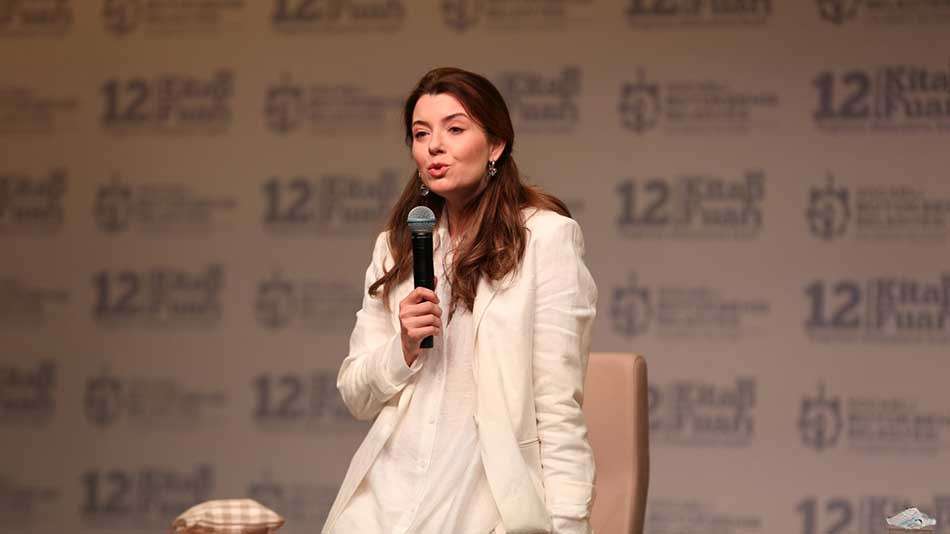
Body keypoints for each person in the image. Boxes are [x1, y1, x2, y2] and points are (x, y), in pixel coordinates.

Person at [321, 67, 597, 534]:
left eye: (454, 129)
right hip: (385, 499)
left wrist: (569, 524)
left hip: (482, 499)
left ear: (496, 145)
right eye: (420, 133)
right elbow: (355, 394)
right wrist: (403, 347)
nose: (434, 146)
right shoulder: (397, 246)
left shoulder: (545, 239)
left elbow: (558, 409)